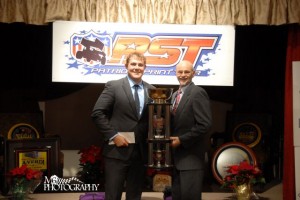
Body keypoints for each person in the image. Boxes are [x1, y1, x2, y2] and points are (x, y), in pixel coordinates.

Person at [91, 52, 155, 200]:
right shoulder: (114, 86)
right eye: (133, 64)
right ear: (126, 66)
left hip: (140, 152)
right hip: (117, 151)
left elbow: (154, 118)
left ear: (145, 67)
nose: (137, 67)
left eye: (140, 65)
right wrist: (114, 135)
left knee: (135, 195)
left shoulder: (152, 90)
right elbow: (97, 113)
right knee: (113, 195)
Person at [170, 60, 212, 200]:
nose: (183, 75)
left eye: (186, 72)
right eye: (180, 72)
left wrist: (181, 140)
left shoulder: (198, 92)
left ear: (193, 73)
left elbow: (204, 124)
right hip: (177, 159)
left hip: (191, 158)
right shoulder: (175, 95)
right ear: (175, 73)